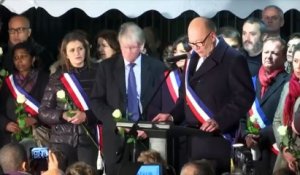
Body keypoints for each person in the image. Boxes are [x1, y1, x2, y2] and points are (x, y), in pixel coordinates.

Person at [152, 17, 255, 174]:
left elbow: (245, 96)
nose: (195, 48)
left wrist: (219, 120)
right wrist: (172, 116)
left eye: (199, 43)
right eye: (192, 44)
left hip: (218, 139)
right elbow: (185, 99)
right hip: (193, 140)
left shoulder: (233, 59)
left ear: (212, 36)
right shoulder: (191, 58)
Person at [90, 22, 166, 175]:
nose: (129, 52)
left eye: (133, 48)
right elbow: (96, 101)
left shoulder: (157, 67)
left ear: (142, 45)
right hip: (116, 136)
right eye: (125, 47)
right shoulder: (106, 67)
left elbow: (163, 101)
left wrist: (148, 126)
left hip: (147, 137)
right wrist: (116, 122)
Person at [38, 31, 98, 168]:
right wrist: (62, 115)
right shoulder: (56, 78)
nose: (77, 53)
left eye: (80, 49)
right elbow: (43, 112)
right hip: (61, 141)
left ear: (86, 50)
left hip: (88, 140)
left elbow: (105, 107)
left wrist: (86, 115)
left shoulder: (98, 73)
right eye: (72, 50)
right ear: (65, 53)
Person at [240, 37, 289, 175]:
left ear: (284, 57)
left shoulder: (289, 83)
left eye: (274, 53)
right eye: (266, 52)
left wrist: (260, 136)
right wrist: (246, 135)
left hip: (275, 150)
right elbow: (242, 114)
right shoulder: (251, 81)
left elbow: (286, 120)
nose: (269, 56)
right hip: (252, 151)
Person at [0, 41, 49, 148]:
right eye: (16, 58)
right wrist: (6, 124)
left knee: (38, 163)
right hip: (11, 138)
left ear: (33, 59)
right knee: (13, 162)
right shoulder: (9, 82)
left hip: (38, 136)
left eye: (23, 56)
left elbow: (51, 108)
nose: (19, 61)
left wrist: (36, 119)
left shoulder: (45, 79)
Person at [273, 43, 300, 173]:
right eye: (295, 61)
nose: (298, 66)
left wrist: (296, 154)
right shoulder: (287, 86)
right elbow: (277, 120)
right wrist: (284, 148)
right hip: (284, 156)